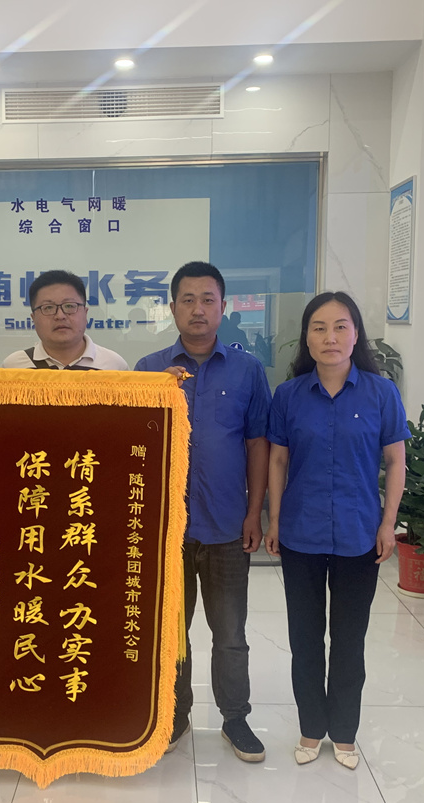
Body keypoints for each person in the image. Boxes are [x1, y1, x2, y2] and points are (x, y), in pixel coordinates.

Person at [263, 291, 407, 770]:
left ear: (356, 334)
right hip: (300, 534)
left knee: (349, 640)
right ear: (306, 337)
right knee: (305, 639)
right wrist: (274, 520)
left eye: (340, 326)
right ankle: (311, 728)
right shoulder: (288, 396)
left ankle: (344, 732)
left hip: (358, 534)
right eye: (319, 327)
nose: (330, 337)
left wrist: (388, 524)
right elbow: (278, 461)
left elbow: (396, 462)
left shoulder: (381, 393)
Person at [135, 261, 271, 762]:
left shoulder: (248, 370)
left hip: (227, 525)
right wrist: (154, 395)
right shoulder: (148, 369)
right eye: (187, 300)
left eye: (208, 299)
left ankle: (235, 719)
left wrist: (255, 513)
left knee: (230, 633)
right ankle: (175, 714)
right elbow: (130, 446)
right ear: (172, 307)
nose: (198, 309)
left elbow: (257, 445)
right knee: (171, 632)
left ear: (223, 307)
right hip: (164, 530)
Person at [2, 269, 127, 370]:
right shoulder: (13, 367)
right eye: (48, 307)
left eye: (69, 306)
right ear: (33, 318)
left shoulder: (114, 365)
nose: (60, 316)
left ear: (85, 313)